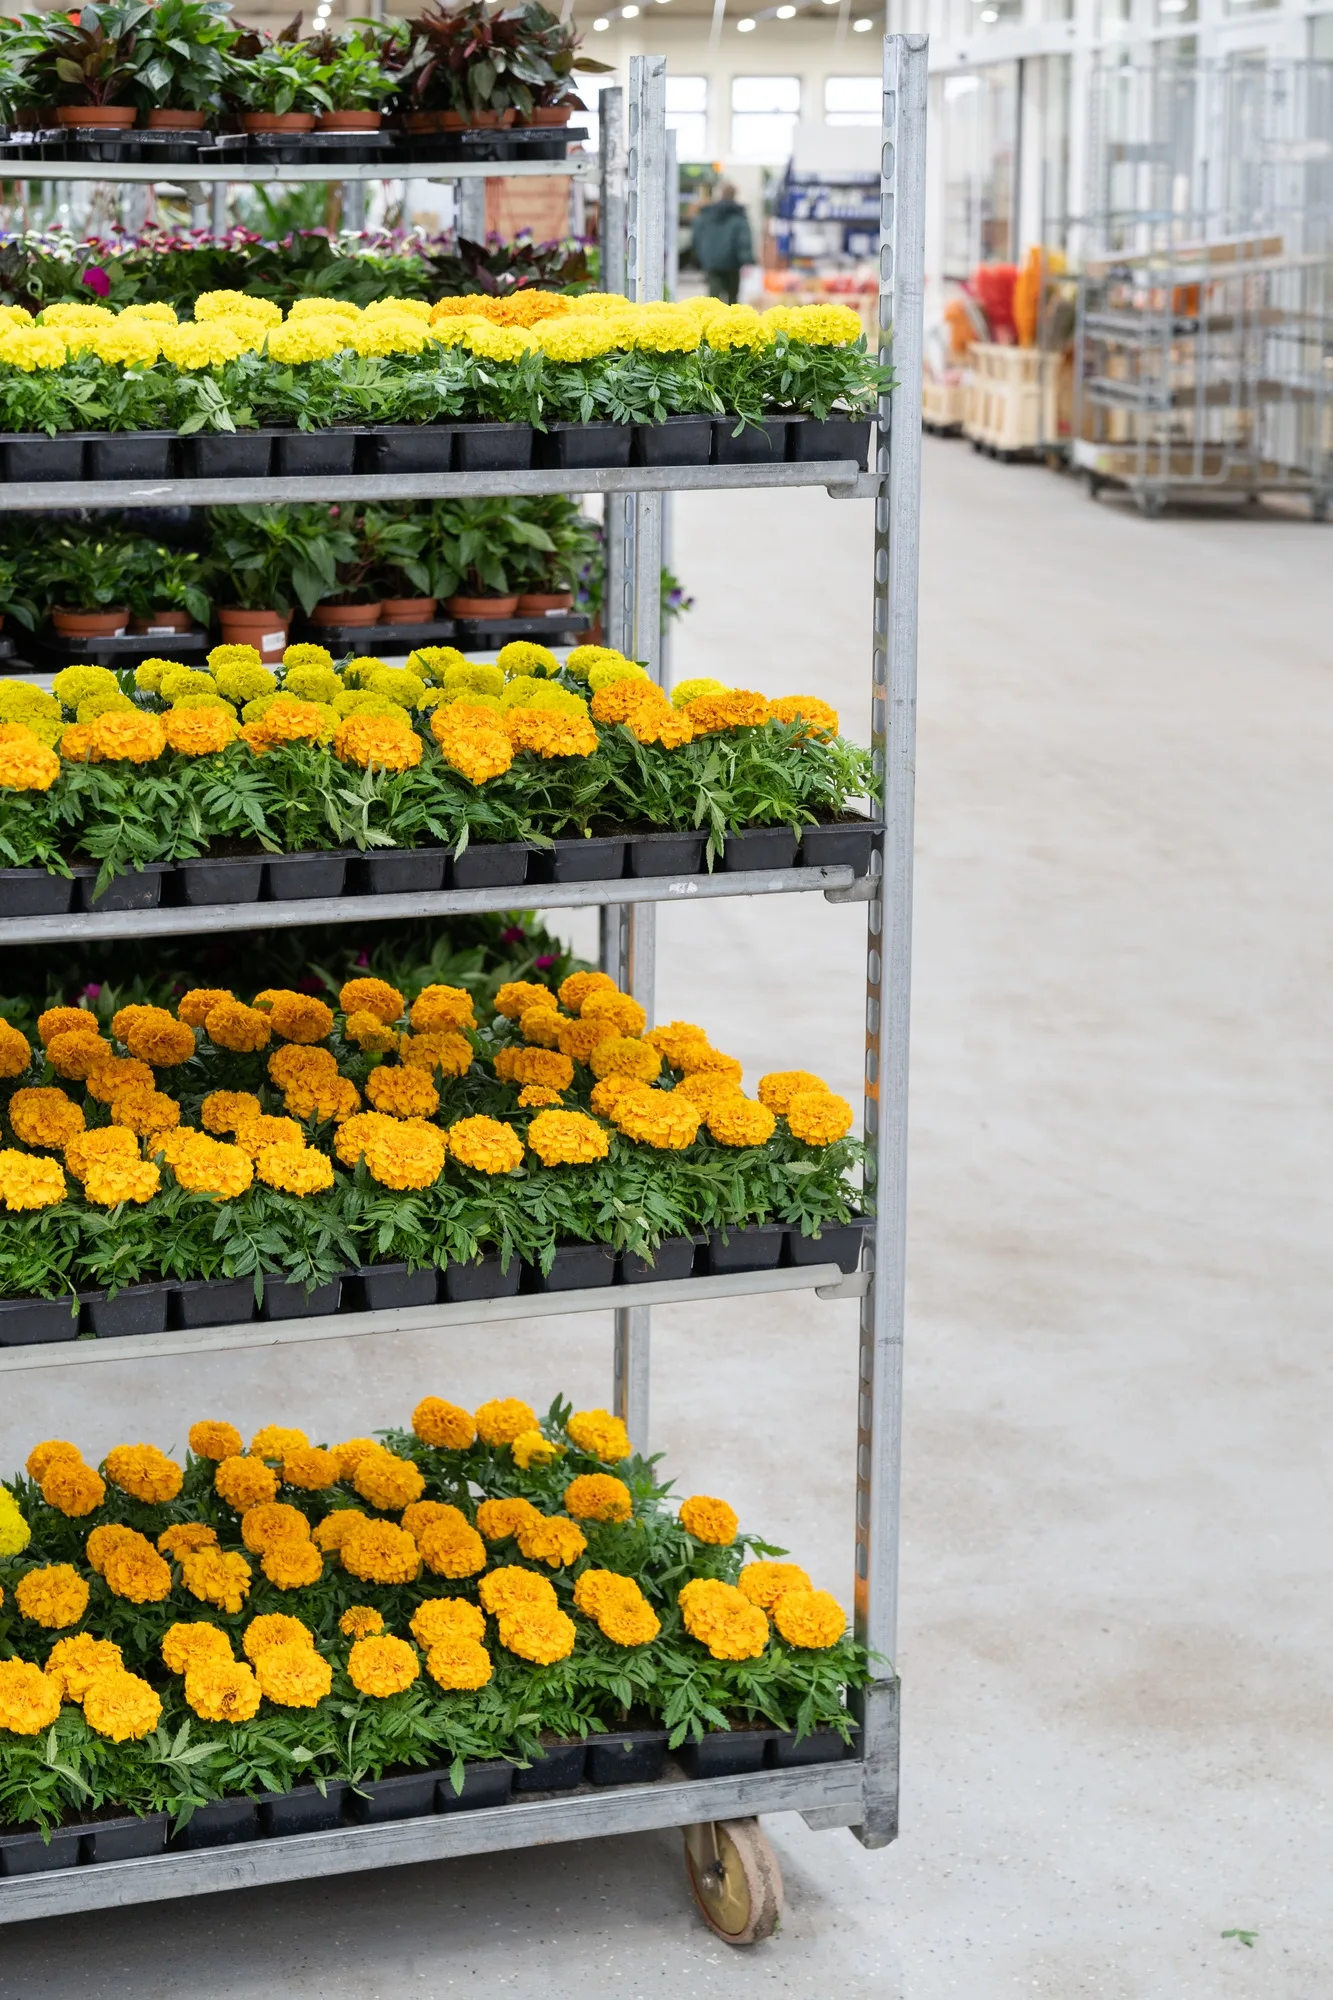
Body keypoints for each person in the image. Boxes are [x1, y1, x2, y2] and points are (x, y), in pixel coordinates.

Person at [690, 183, 754, 305]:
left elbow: (696, 236)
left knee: (713, 298)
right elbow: (744, 240)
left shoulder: (707, 214)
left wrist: (698, 256)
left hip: (711, 261)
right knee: (732, 298)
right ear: (734, 195)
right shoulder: (738, 216)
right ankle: (731, 322)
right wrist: (747, 260)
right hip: (732, 263)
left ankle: (713, 321)